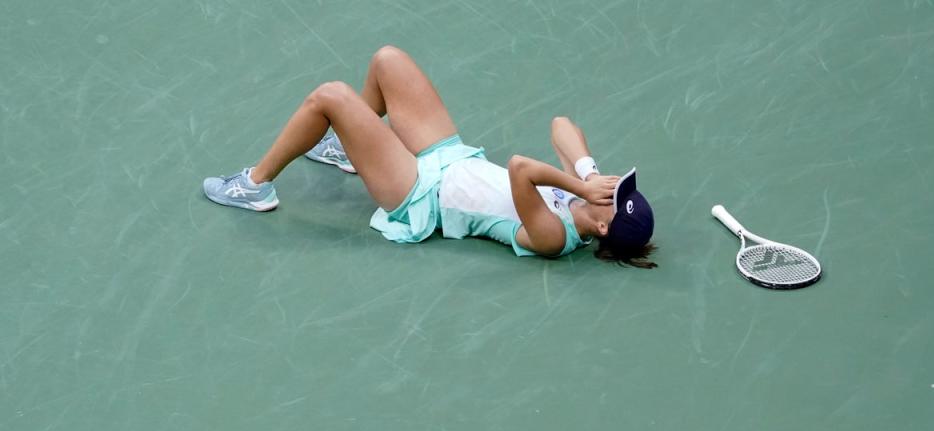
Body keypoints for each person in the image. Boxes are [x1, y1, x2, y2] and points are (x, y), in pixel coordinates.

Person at [202, 46, 656, 267]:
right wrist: (590, 172)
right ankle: (347, 148)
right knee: (388, 60)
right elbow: (562, 125)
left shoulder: (555, 237)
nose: (615, 189)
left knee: (330, 96)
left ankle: (254, 185)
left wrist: (577, 187)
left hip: (422, 194)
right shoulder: (585, 196)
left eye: (615, 200)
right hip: (450, 158)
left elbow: (520, 169)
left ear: (601, 227)